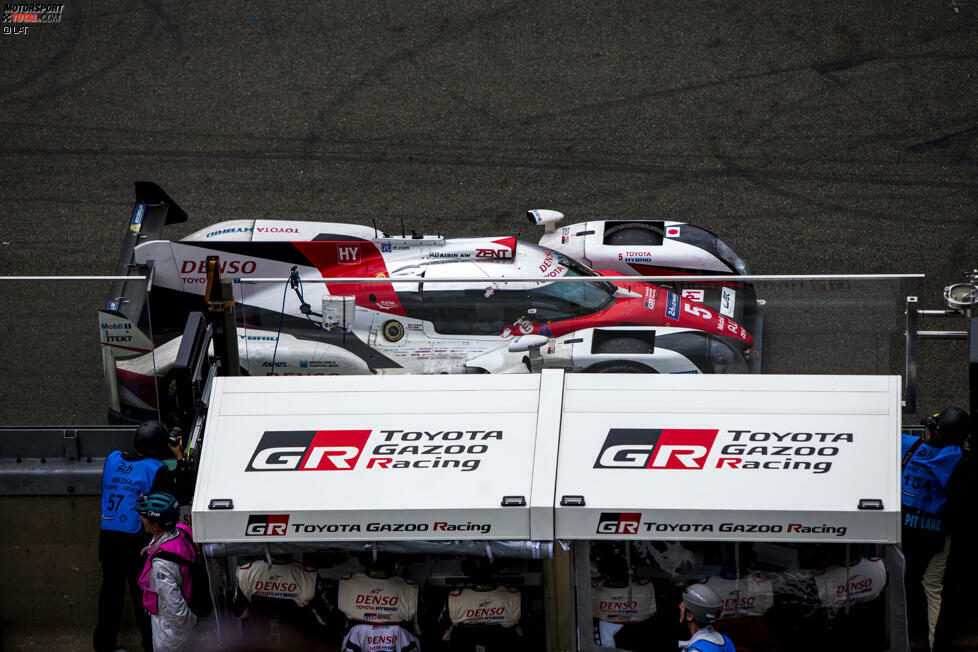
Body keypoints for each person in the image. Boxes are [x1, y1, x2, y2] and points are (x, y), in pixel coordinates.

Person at [94, 420, 185, 652]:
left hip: (108, 539)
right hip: (135, 542)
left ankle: (104, 645)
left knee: (110, 594)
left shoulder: (113, 459)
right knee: (143, 594)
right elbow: (175, 496)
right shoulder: (157, 469)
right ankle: (150, 645)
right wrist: (179, 457)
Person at [902, 406, 972, 650]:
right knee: (933, 589)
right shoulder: (961, 461)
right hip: (938, 537)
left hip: (903, 532)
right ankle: (935, 645)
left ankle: (900, 640)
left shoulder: (910, 446)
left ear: (938, 433)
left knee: (900, 581)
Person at [135, 492, 198, 652]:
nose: (141, 519)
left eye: (144, 517)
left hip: (171, 631)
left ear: (156, 526)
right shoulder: (183, 530)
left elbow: (175, 606)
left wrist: (194, 624)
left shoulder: (162, 563)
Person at [678, 583, 736, 652]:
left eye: (682, 606)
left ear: (690, 616)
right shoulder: (726, 640)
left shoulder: (695, 650)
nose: (679, 606)